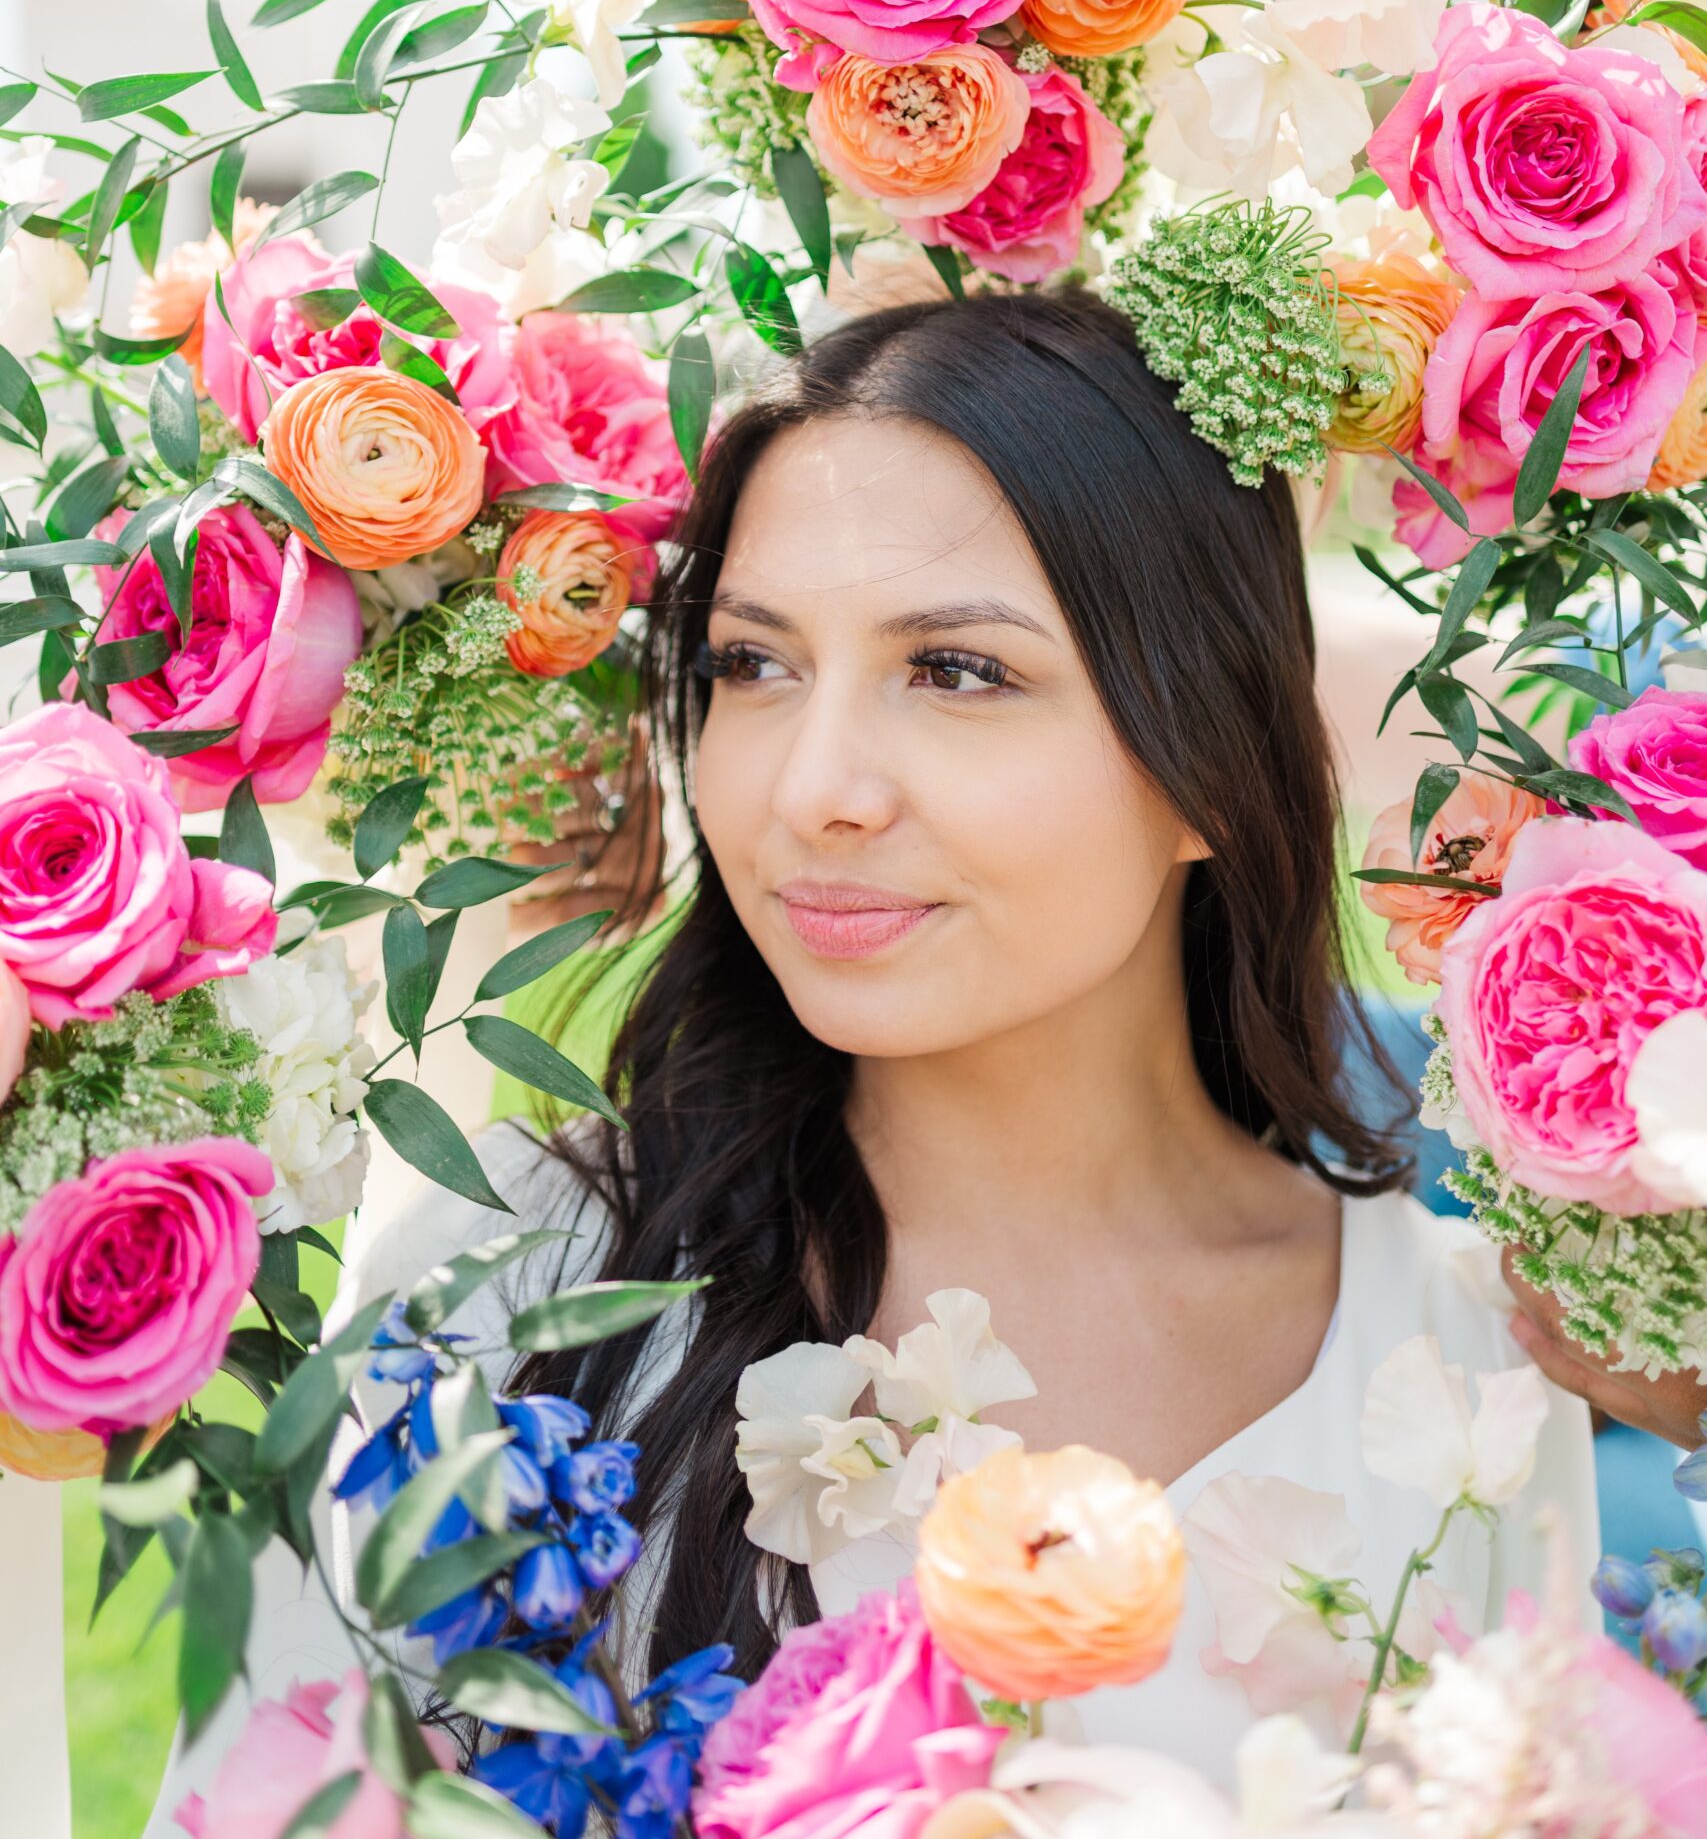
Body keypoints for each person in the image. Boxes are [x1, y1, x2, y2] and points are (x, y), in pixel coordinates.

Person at [148, 293, 1597, 1825]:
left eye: (957, 672)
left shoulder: (1455, 1369)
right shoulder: (513, 1284)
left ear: (1211, 769)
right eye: (754, 667)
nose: (814, 788)